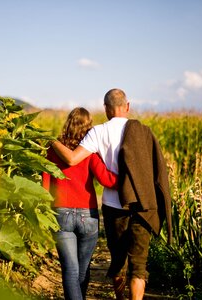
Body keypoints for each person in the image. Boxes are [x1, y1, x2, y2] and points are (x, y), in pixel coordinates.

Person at [52, 89, 172, 300]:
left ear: (106, 109)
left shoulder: (97, 133)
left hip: (114, 208)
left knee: (118, 262)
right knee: (139, 266)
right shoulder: (144, 132)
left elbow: (72, 159)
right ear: (127, 106)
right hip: (143, 205)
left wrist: (50, 141)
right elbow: (157, 170)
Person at [42, 107, 118, 300]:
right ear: (89, 126)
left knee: (70, 270)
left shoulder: (53, 150)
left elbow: (44, 185)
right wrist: (130, 176)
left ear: (68, 123)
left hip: (60, 214)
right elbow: (108, 180)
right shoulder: (90, 152)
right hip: (88, 215)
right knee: (82, 270)